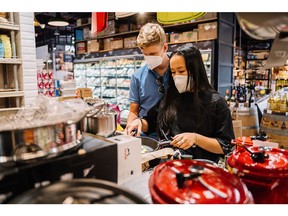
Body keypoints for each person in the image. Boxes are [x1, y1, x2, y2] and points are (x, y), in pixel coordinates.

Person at [127, 44, 234, 162]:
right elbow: (152, 121)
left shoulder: (216, 103)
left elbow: (226, 146)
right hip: (169, 166)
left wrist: (196, 138)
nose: (176, 76)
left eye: (181, 71)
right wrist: (139, 122)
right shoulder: (171, 96)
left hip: (198, 170)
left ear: (195, 69)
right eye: (173, 72)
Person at [124, 23, 170, 139]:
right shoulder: (137, 77)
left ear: (165, 48)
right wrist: (130, 127)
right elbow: (134, 111)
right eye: (145, 54)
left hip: (174, 137)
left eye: (153, 54)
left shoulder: (178, 71)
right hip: (147, 138)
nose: (149, 58)